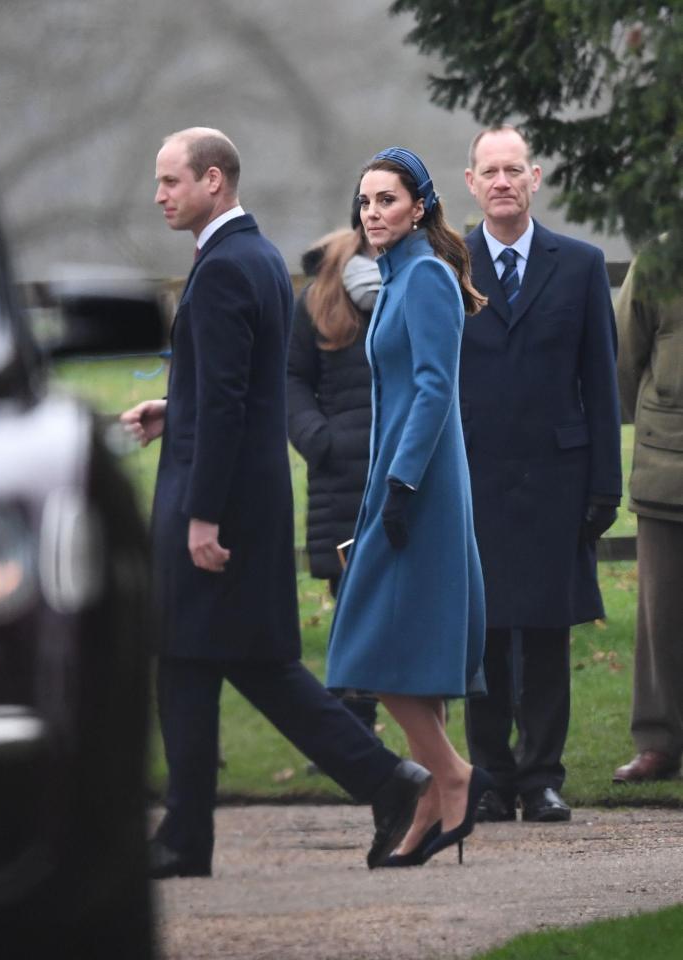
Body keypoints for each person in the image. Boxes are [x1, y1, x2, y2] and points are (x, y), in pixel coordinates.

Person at [120, 127, 431, 878]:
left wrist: (201, 514)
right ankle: (191, 835)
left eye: (172, 181)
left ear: (215, 181)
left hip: (218, 508)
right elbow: (240, 387)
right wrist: (175, 406)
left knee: (241, 666)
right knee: (205, 663)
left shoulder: (227, 267)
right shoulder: (252, 257)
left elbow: (229, 399)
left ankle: (391, 782)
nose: (159, 195)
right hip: (242, 496)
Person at [327, 147, 490, 868]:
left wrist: (401, 484)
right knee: (396, 648)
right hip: (394, 479)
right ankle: (432, 798)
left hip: (418, 484)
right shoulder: (394, 279)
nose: (372, 213)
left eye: (387, 200)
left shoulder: (424, 276)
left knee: (375, 647)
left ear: (418, 206)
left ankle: (449, 777)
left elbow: (433, 388)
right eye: (365, 202)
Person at [461, 125, 622, 823]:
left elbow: (602, 381)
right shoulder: (446, 264)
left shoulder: (580, 265)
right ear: (471, 183)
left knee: (548, 632)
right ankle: (491, 777)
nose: (502, 181)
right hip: (473, 475)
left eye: (513, 169)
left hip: (558, 477)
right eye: (489, 170)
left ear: (536, 178)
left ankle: (541, 777)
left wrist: (604, 486)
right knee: (484, 632)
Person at [287, 213, 380, 731]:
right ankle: (352, 737)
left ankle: (431, 747)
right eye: (371, 203)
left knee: (419, 608)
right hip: (342, 475)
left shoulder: (429, 278)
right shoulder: (322, 290)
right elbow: (292, 377)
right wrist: (317, 439)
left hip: (414, 468)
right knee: (352, 607)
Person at [612, 254, 683, 784]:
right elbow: (624, 358)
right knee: (662, 614)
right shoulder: (660, 257)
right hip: (668, 466)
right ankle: (659, 741)